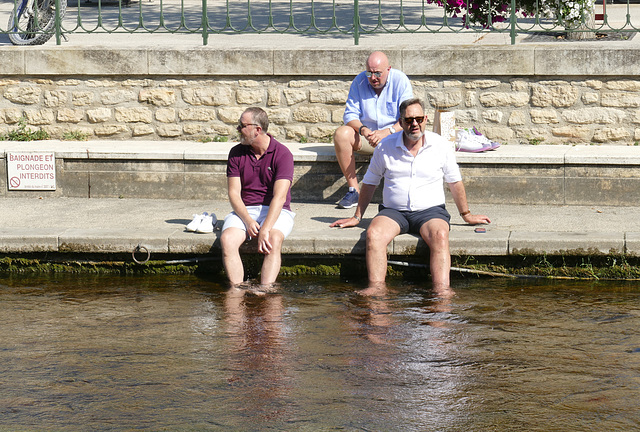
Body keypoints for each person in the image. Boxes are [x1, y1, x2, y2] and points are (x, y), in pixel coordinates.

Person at [330, 98, 491, 291]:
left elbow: (454, 182)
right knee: (374, 234)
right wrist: (357, 216)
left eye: (418, 118)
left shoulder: (440, 145)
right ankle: (376, 290)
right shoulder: (385, 146)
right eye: (408, 120)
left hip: (430, 212)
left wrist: (466, 215)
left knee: (440, 234)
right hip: (393, 212)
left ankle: (441, 292)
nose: (414, 123)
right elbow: (370, 183)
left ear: (425, 119)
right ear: (401, 122)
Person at [220, 107, 295, 287]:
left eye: (242, 125)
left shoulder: (283, 154)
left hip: (277, 210)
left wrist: (265, 228)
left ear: (257, 129)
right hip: (246, 209)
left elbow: (279, 197)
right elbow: (234, 193)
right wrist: (247, 220)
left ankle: (265, 290)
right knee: (227, 239)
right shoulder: (236, 153)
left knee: (273, 239)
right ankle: (237, 290)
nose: (238, 129)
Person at [333, 51, 414, 209]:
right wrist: (363, 129)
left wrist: (387, 132)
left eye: (378, 73)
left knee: (412, 133)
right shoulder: (359, 81)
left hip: (394, 137)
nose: (373, 78)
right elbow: (349, 115)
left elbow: (408, 117)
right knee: (341, 134)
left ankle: (404, 192)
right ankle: (353, 190)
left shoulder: (400, 80)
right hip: (368, 137)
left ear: (388, 69)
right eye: (369, 73)